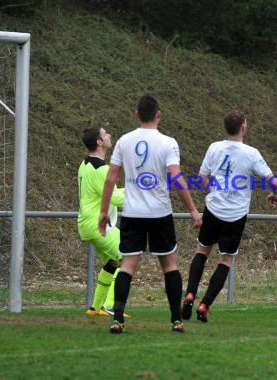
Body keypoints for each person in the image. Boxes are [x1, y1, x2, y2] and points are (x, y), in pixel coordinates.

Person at [99, 93, 202, 334]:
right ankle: (176, 320)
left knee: (127, 266)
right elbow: (176, 177)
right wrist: (193, 210)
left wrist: (104, 212)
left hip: (133, 213)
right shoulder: (168, 143)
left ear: (137, 115)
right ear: (158, 115)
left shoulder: (124, 141)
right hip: (159, 213)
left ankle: (117, 320)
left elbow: (111, 177)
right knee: (170, 266)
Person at [181, 110, 277, 323]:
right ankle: (204, 305)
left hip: (213, 210)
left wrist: (213, 192)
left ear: (226, 128)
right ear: (243, 128)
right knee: (225, 260)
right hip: (235, 215)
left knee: (202, 251)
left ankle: (190, 293)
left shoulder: (214, 147)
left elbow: (201, 177)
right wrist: (275, 193)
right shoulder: (251, 153)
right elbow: (273, 181)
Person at [78, 124, 125, 317]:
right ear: (99, 141)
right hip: (97, 223)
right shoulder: (101, 168)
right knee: (127, 257)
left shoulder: (85, 164)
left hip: (87, 223)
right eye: (105, 134)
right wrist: (138, 190)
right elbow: (115, 198)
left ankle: (95, 307)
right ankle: (110, 306)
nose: (109, 135)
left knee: (113, 262)